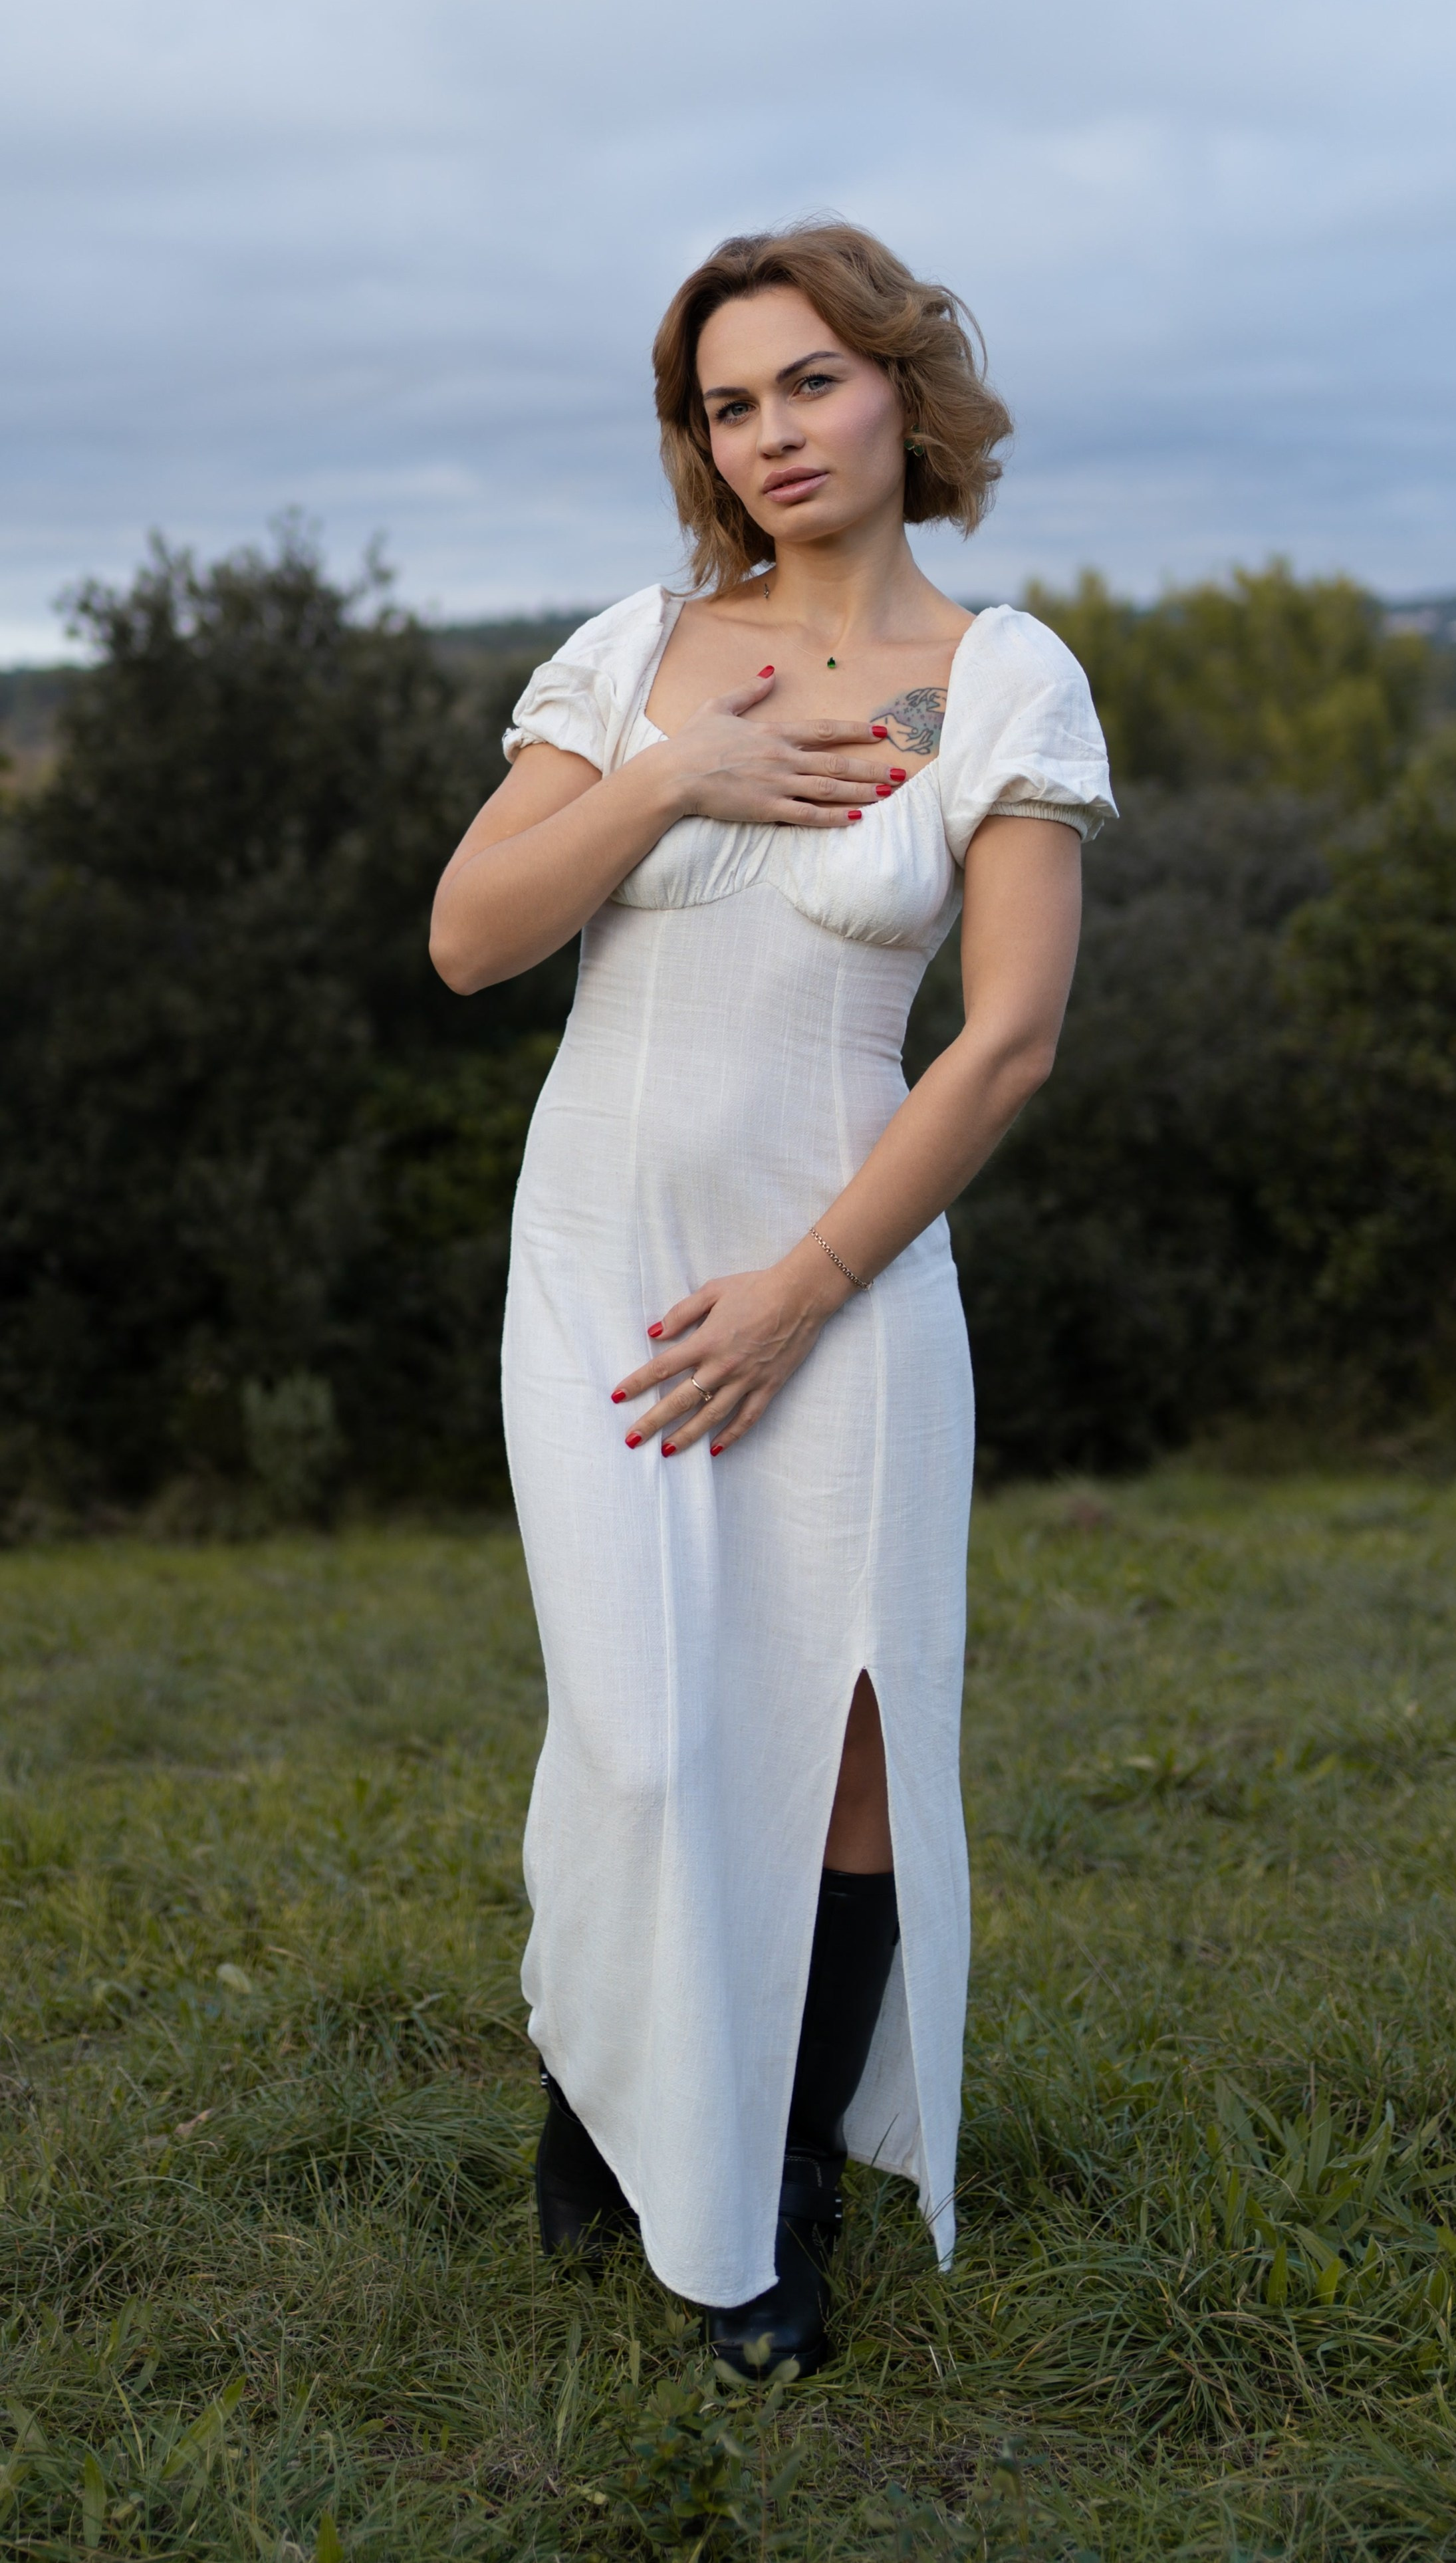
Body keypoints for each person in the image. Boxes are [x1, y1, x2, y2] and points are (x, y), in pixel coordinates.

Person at [429, 221, 1114, 2376]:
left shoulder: (1003, 674)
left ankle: (774, 2193)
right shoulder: (636, 651)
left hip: (843, 1274)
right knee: (638, 1734)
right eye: (729, 404)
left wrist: (808, 1290)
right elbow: (468, 938)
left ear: (903, 389)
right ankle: (617, 2100)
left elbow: (1000, 1041)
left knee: (841, 1739)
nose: (771, 433)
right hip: (605, 1273)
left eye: (808, 381)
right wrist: (672, 776)